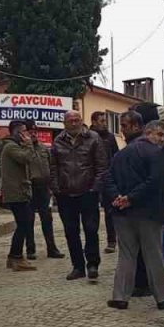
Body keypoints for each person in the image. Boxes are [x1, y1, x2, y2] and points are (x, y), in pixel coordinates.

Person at [104, 114, 164, 311]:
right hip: (148, 213)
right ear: (147, 132)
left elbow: (107, 178)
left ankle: (120, 297)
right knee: (154, 255)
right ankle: (162, 298)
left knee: (126, 255)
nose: (162, 139)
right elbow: (155, 182)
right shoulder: (155, 154)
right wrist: (130, 198)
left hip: (122, 214)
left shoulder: (120, 154)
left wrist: (118, 197)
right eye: (159, 134)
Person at [50, 111, 109, 281]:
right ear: (64, 123)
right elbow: (53, 168)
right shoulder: (58, 141)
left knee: (91, 229)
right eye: (70, 121)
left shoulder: (93, 138)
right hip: (66, 194)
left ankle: (93, 264)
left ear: (81, 121)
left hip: (88, 193)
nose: (74, 123)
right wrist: (56, 189)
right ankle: (78, 266)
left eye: (77, 120)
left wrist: (95, 188)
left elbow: (102, 166)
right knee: (71, 231)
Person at [0, 121, 37, 272]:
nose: (27, 134)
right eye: (24, 131)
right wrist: (29, 144)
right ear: (17, 132)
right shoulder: (11, 147)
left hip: (20, 190)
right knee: (24, 224)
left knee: (24, 223)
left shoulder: (14, 146)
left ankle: (14, 257)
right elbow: (26, 158)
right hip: (16, 192)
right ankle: (16, 257)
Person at [23, 121, 64, 260]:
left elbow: (51, 167)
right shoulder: (23, 149)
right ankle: (30, 249)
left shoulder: (44, 148)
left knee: (47, 219)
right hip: (30, 187)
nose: (33, 134)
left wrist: (52, 186)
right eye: (30, 132)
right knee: (28, 219)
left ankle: (52, 249)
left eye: (35, 132)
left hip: (44, 188)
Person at [90, 112, 121, 253]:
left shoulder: (110, 137)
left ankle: (111, 241)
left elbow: (116, 156)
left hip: (108, 178)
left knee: (110, 211)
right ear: (94, 122)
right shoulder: (88, 136)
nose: (105, 123)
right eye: (102, 121)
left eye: (105, 121)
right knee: (91, 213)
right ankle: (92, 242)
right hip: (91, 179)